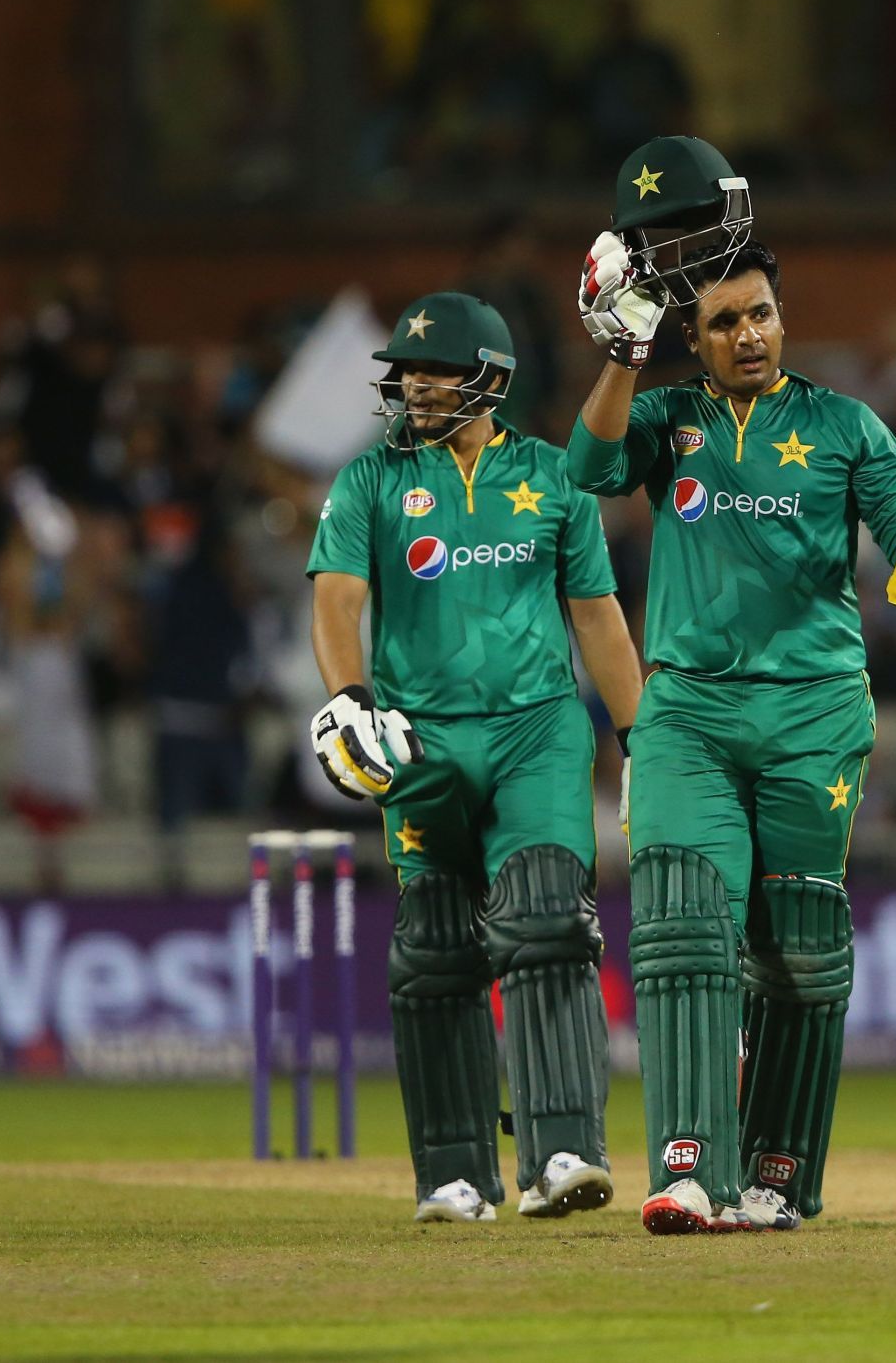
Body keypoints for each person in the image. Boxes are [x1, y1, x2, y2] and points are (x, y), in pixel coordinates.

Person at [567, 135, 896, 1234]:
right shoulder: (669, 420)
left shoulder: (846, 427)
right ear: (693, 338)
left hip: (813, 714)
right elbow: (586, 470)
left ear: (781, 318)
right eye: (721, 323)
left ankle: (779, 1174)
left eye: (759, 315)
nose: (746, 336)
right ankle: (687, 1164)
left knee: (800, 960)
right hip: (691, 714)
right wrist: (622, 354)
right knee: (682, 930)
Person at [306, 291, 644, 1225]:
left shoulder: (551, 476)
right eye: (407, 370)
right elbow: (337, 603)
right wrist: (347, 701)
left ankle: (563, 1149)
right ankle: (454, 1173)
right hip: (420, 741)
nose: (414, 385)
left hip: (537, 731)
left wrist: (642, 740)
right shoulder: (369, 481)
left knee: (547, 928)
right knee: (436, 953)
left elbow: (598, 619)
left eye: (436, 370)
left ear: (490, 378)